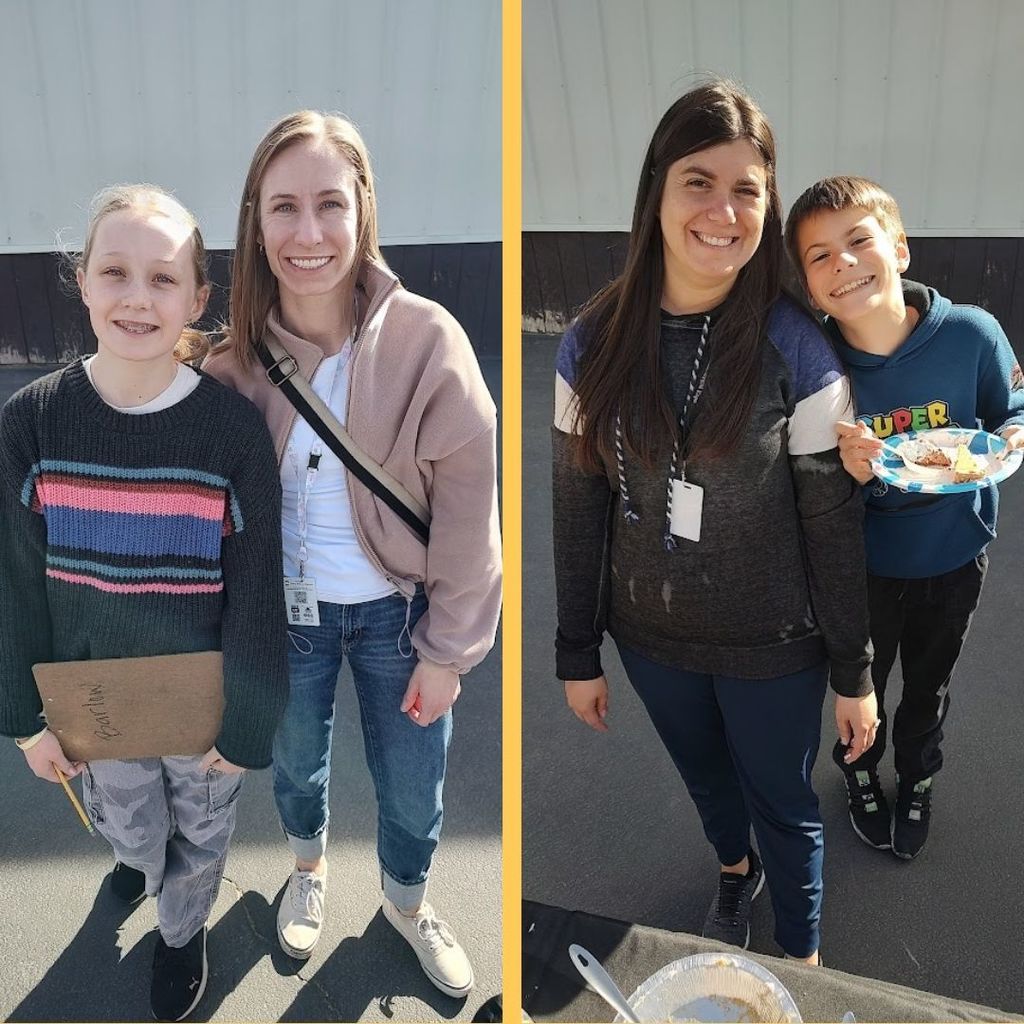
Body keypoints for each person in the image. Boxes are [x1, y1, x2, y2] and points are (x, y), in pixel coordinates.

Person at [552, 80, 878, 965]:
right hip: (650, 638)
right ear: (657, 186)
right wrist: (576, 650)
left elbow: (830, 520)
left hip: (775, 641)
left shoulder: (795, 348)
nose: (723, 210)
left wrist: (854, 671)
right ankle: (736, 875)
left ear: (767, 208)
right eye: (700, 181)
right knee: (707, 782)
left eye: (747, 189)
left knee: (784, 798)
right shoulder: (591, 343)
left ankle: (800, 956)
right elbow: (578, 502)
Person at [204, 110, 500, 998]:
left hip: (398, 619)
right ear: (255, 219)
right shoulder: (234, 366)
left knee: (414, 788)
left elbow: (467, 516)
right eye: (284, 207)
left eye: (329, 204)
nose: (307, 234)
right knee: (297, 766)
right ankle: (307, 869)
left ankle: (407, 905)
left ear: (363, 209)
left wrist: (449, 651)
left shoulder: (427, 339)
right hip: (286, 620)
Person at [0, 185, 289, 1022]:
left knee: (199, 832)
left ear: (197, 299)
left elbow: (257, 590)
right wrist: (25, 718)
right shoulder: (33, 424)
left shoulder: (230, 433)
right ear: (82, 282)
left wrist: (247, 723)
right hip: (96, 704)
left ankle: (180, 929)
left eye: (163, 280)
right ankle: (138, 860)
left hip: (200, 709)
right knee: (127, 820)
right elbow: (14, 585)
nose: (137, 297)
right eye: (115, 272)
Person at [784, 176, 1024, 859]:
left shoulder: (972, 334)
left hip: (954, 555)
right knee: (858, 685)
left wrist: (1012, 438)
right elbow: (797, 480)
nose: (845, 264)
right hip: (860, 567)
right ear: (807, 282)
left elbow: (1013, 409)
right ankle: (859, 773)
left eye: (859, 241)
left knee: (928, 685)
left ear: (900, 248)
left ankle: (917, 778)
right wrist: (845, 472)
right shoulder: (816, 363)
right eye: (820, 256)